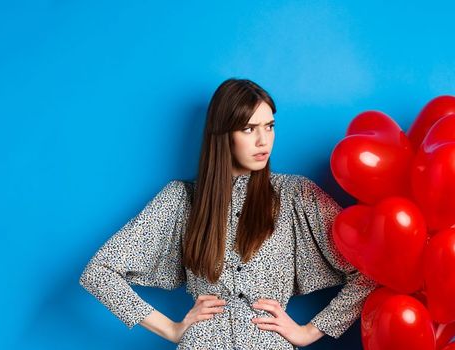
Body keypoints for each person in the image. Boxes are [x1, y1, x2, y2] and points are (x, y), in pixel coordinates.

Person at [79, 78, 376, 349]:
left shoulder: (296, 195)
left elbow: (371, 268)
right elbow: (99, 274)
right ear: (223, 135)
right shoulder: (182, 200)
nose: (264, 141)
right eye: (249, 129)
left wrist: (309, 331)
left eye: (269, 126)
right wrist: (171, 329)